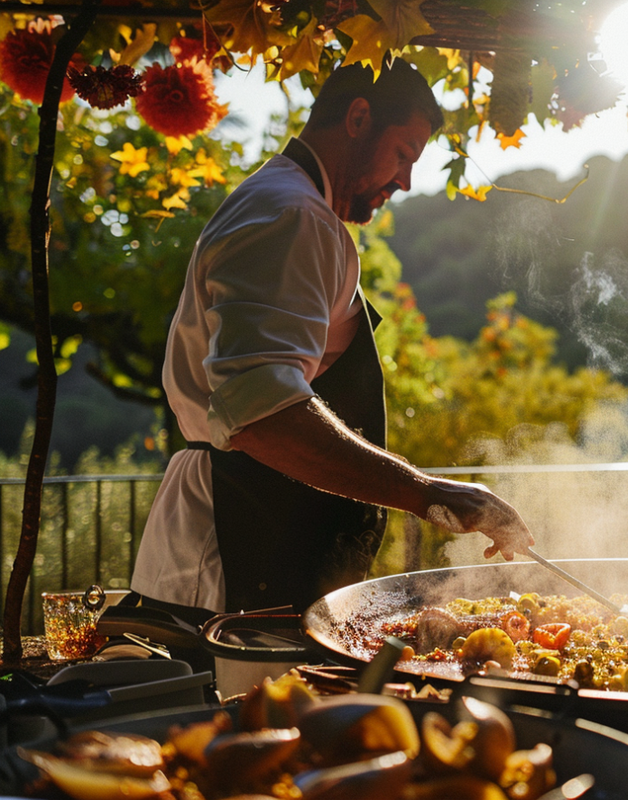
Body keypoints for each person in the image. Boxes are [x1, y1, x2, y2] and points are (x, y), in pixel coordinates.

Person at [131, 60, 533, 622]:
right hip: (236, 543)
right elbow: (262, 413)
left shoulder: (292, 206)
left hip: (258, 526)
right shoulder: (293, 215)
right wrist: (427, 492)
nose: (406, 181)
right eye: (403, 154)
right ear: (359, 118)